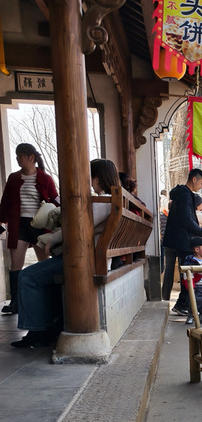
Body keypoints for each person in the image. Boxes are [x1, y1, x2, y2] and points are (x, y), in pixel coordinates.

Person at [11, 158, 119, 349]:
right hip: (94, 257)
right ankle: (47, 327)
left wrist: (52, 239)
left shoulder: (102, 202)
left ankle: (37, 331)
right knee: (43, 277)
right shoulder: (112, 201)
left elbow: (77, 227)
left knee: (28, 276)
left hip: (84, 260)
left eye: (90, 177)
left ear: (96, 178)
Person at [0, 142, 59, 314]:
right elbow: (5, 202)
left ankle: (49, 300)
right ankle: (16, 302)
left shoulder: (45, 178)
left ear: (31, 157)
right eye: (16, 156)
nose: (18, 159)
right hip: (19, 225)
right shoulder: (13, 178)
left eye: (20, 156)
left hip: (40, 226)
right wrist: (1, 221)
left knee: (44, 264)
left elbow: (55, 200)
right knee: (15, 265)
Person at [161, 168, 202, 309]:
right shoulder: (186, 195)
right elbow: (186, 219)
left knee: (169, 272)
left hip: (170, 239)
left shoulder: (178, 193)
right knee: (186, 273)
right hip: (182, 240)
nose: (201, 186)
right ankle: (182, 305)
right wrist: (200, 231)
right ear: (194, 179)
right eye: (201, 183)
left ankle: (164, 301)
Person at [181, 236, 202, 325]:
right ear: (196, 249)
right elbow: (187, 275)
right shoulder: (190, 261)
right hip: (197, 285)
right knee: (194, 301)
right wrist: (190, 285)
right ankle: (191, 315)